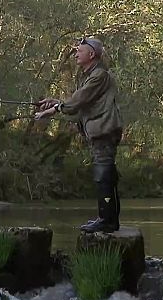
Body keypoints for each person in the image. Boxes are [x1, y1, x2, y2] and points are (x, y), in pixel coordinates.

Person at [35, 37, 124, 233]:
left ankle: (106, 220)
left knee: (103, 176)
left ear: (91, 54)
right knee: (106, 175)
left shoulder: (99, 75)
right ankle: (108, 219)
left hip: (104, 131)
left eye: (79, 51)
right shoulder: (90, 76)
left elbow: (76, 102)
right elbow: (78, 106)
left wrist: (56, 108)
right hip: (101, 132)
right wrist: (56, 103)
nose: (75, 54)